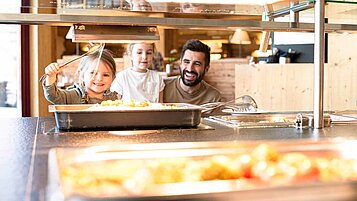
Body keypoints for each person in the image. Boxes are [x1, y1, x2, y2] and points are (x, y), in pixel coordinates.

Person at [42, 49, 119, 104]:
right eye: (93, 73)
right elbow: (53, 96)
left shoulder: (115, 98)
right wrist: (51, 76)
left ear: (113, 78)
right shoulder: (73, 96)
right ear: (81, 75)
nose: (99, 79)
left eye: (106, 75)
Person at [163, 39, 221, 105]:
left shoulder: (213, 97)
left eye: (197, 64)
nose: (190, 69)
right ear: (180, 63)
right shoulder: (162, 87)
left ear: (206, 69)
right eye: (186, 62)